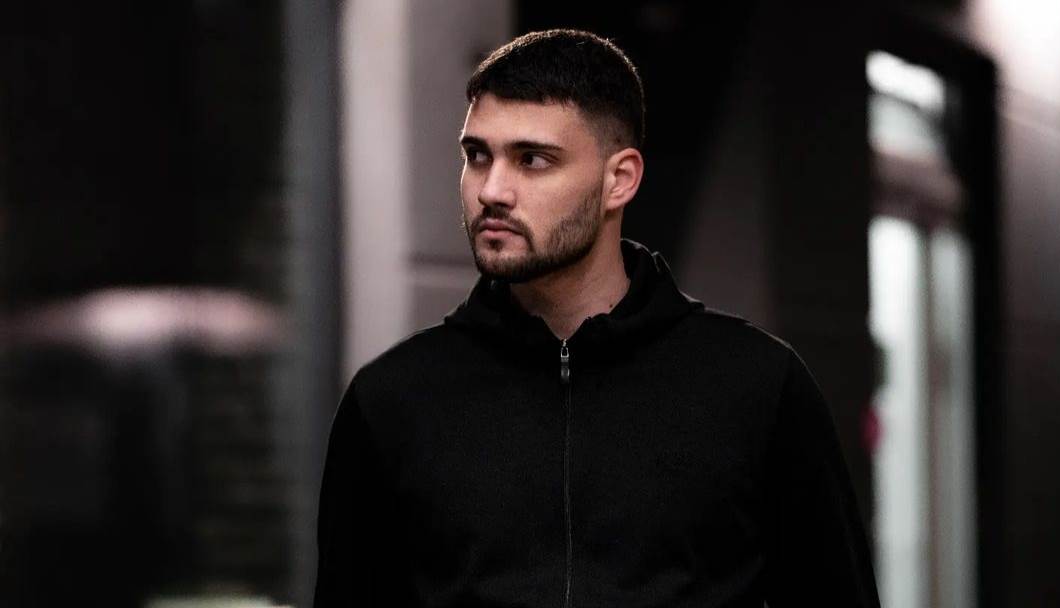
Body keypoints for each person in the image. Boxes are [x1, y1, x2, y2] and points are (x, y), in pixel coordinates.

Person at [314, 29, 880, 607]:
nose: (492, 190)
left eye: (532, 160)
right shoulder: (392, 400)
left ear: (619, 180)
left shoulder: (758, 388)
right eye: (477, 156)